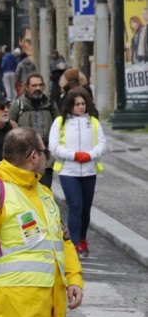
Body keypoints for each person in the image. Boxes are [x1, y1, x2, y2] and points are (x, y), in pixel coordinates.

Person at [0, 127, 84, 317]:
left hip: (45, 305)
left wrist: (74, 278)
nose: (46, 157)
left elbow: (62, 240)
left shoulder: (44, 194)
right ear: (33, 156)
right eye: (44, 152)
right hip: (9, 307)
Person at [49, 88, 106, 257]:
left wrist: (89, 155)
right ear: (70, 105)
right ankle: (73, 244)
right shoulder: (60, 122)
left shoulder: (94, 122)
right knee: (75, 207)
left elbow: (102, 144)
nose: (80, 107)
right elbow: (53, 146)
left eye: (83, 104)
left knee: (86, 209)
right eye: (77, 104)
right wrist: (74, 155)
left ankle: (82, 238)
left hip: (89, 171)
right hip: (68, 171)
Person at [9, 73, 59, 188]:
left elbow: (58, 126)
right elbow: (9, 128)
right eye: (34, 85)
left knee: (45, 193)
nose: (38, 88)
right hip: (23, 159)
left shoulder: (51, 105)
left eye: (40, 85)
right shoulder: (18, 105)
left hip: (45, 160)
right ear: (27, 87)